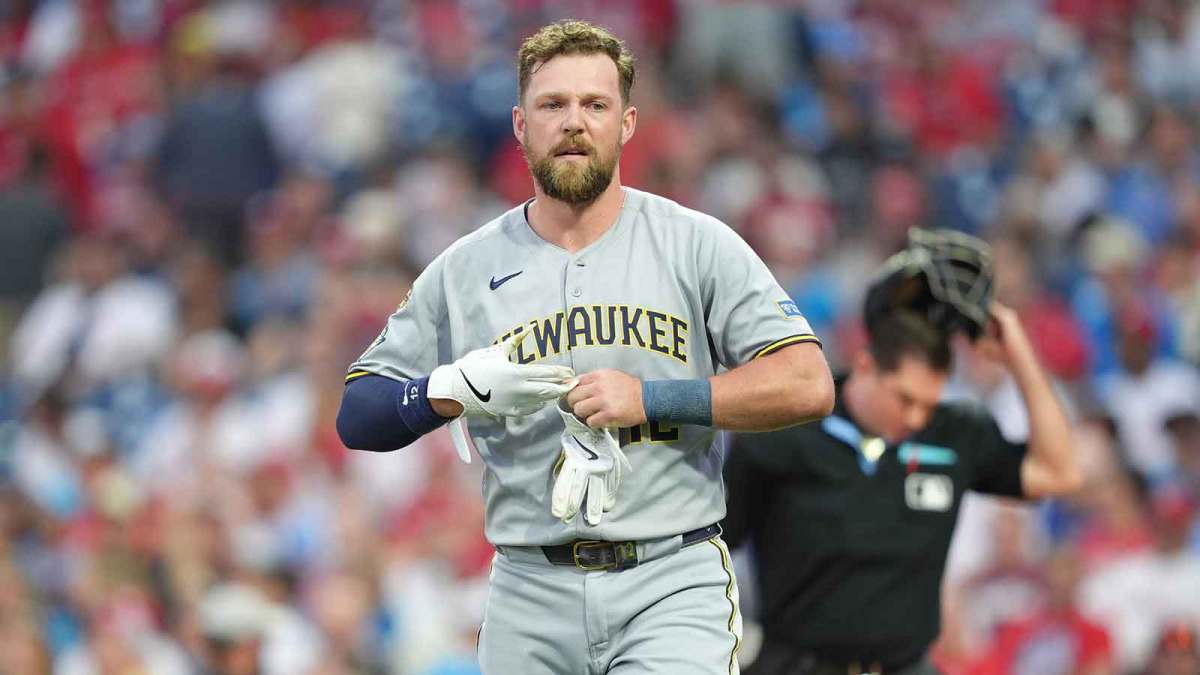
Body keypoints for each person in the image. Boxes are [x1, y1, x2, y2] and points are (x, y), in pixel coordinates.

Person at [336, 19, 834, 675]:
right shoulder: (465, 267)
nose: (574, 122)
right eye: (553, 105)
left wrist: (653, 398)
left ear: (626, 123)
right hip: (528, 585)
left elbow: (807, 382)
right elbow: (359, 411)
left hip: (669, 575)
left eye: (594, 105)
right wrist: (447, 391)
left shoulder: (696, 243)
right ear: (520, 124)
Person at [723, 301, 1081, 675]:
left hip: (906, 666)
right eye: (905, 399)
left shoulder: (954, 433)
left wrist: (1019, 357)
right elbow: (716, 544)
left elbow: (1060, 473)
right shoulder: (783, 434)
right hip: (796, 665)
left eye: (928, 404)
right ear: (866, 365)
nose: (915, 417)